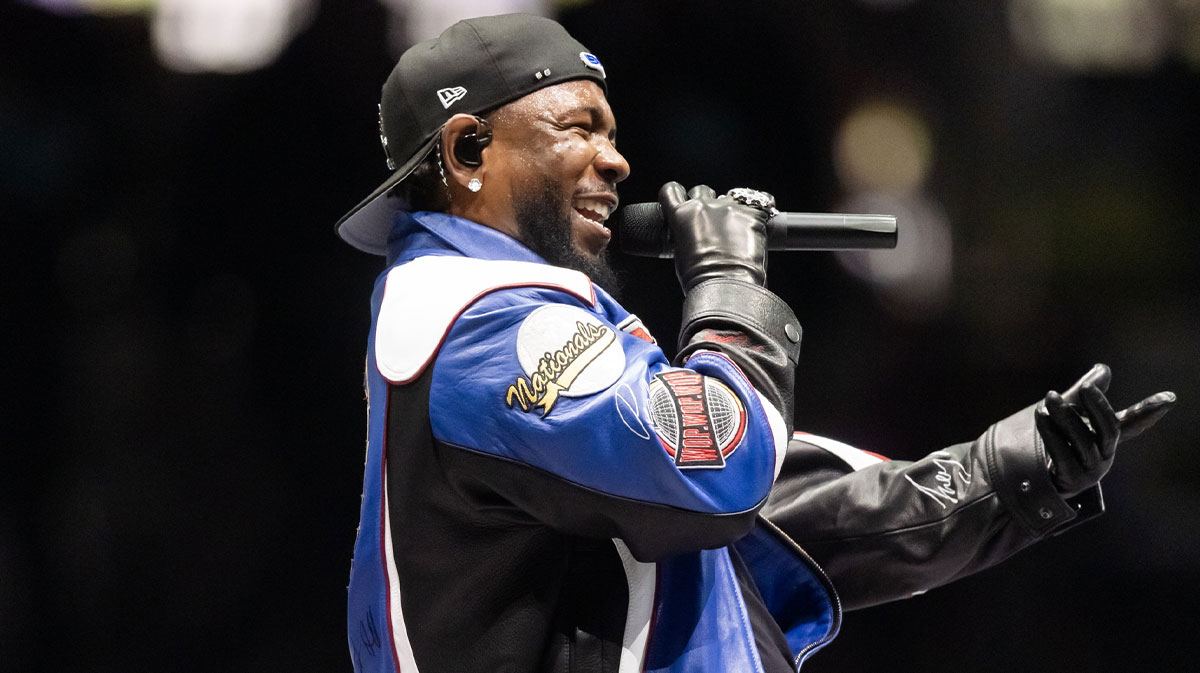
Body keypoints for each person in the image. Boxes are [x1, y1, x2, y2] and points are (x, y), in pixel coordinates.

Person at [334, 13, 1175, 673]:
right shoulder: (480, 327)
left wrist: (1008, 472)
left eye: (613, 131)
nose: (617, 161)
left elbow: (775, 514)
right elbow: (718, 468)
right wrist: (731, 288)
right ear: (469, 149)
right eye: (579, 128)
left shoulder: (512, 334)